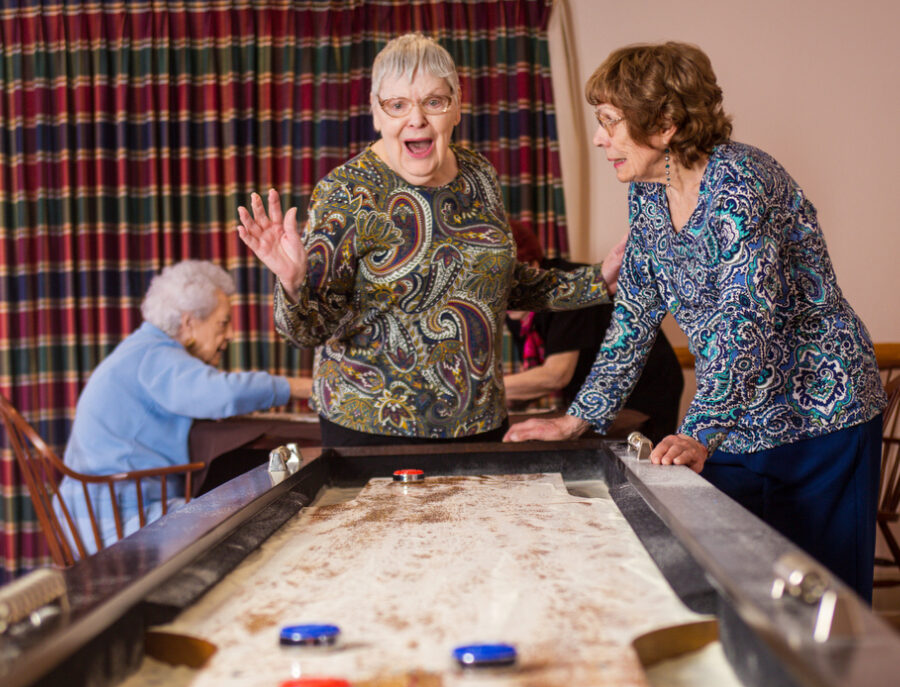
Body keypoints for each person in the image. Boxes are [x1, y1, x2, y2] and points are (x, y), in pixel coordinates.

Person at [504, 42, 887, 601]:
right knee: (730, 587)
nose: (598, 138)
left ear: (664, 124)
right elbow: (634, 310)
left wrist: (699, 430)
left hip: (820, 419)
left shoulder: (740, 181)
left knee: (821, 603)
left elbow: (745, 320)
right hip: (738, 421)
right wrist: (579, 418)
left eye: (610, 122)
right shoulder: (648, 195)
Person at [237, 32, 624, 447]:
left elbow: (501, 286)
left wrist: (597, 279)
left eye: (434, 102)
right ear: (376, 114)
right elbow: (308, 332)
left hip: (480, 424)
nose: (416, 118)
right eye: (397, 105)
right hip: (370, 431)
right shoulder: (346, 193)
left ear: (457, 107)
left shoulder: (480, 176)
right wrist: (294, 284)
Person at [57, 260, 310, 554]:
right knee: (259, 509)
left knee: (254, 499)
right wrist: (305, 387)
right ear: (189, 323)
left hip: (104, 510)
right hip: (122, 520)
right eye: (223, 323)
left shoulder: (142, 349)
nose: (229, 336)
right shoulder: (154, 355)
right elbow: (220, 394)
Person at [504, 220, 683, 444]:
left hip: (640, 398)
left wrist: (487, 390)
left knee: (521, 438)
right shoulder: (515, 313)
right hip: (594, 397)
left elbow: (555, 375)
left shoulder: (567, 287)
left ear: (528, 267)